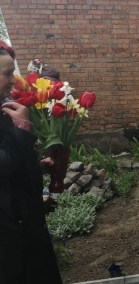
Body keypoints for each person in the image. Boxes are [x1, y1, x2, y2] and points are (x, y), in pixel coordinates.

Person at [0, 45, 63, 284]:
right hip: (9, 233)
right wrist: (23, 131)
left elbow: (9, 158)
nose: (14, 81)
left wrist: (36, 165)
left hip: (24, 221)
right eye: (7, 73)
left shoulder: (5, 107)